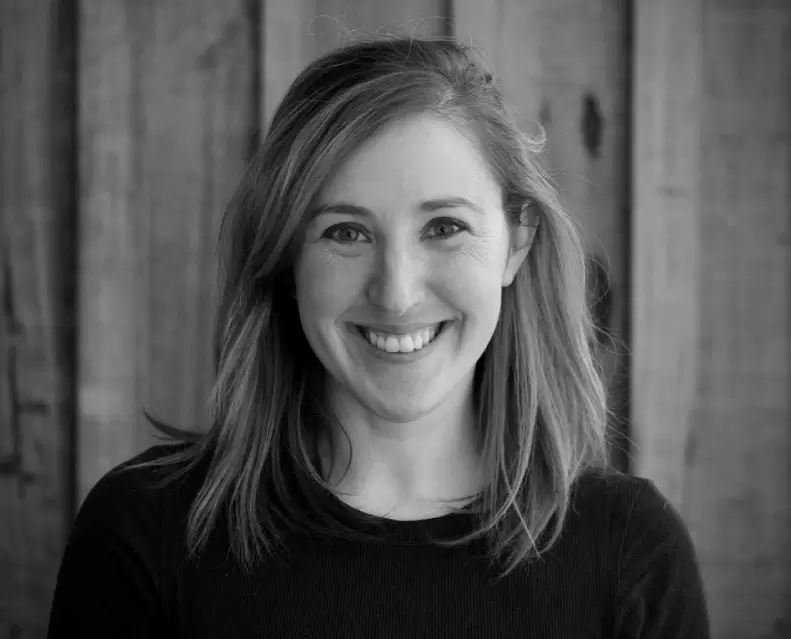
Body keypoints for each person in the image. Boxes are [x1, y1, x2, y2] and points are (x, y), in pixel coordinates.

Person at [47, 35, 710, 638]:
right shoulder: (144, 533)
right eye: (346, 232)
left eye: (443, 227)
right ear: (286, 261)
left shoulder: (631, 551)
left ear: (517, 241)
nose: (395, 293)